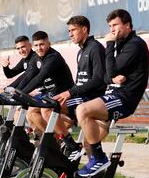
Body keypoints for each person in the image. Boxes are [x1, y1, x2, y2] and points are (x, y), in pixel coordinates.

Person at [75, 9, 149, 177]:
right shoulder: (123, 44)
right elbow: (107, 77)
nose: (112, 30)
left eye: (115, 25)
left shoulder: (135, 44)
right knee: (88, 141)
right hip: (114, 95)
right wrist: (112, 78)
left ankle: (100, 158)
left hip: (124, 98)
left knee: (82, 110)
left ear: (128, 25)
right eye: (110, 26)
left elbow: (111, 71)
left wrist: (109, 45)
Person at [41, 15, 106, 161]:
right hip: (80, 98)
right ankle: (60, 145)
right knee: (44, 109)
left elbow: (98, 79)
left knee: (47, 108)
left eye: (73, 30)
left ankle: (70, 145)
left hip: (91, 100)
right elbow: (80, 81)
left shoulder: (95, 48)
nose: (70, 34)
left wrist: (70, 92)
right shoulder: (81, 51)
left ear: (84, 29)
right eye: (69, 31)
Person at [15, 31, 74, 134]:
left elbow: (40, 77)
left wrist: (21, 93)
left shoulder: (53, 57)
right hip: (50, 94)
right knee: (29, 112)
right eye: (36, 45)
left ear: (48, 44)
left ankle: (53, 138)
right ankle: (45, 138)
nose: (39, 48)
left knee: (41, 110)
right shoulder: (37, 57)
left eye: (42, 44)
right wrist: (14, 90)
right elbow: (27, 76)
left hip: (63, 94)